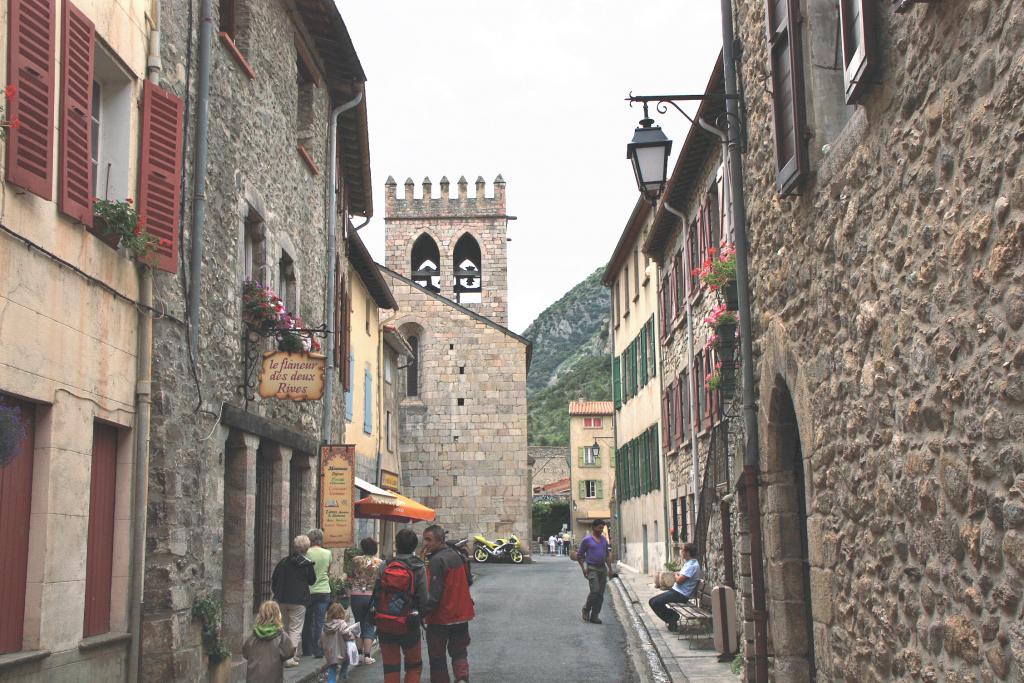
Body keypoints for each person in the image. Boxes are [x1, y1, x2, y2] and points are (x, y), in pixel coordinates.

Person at [422, 524, 475, 683]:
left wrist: (423, 612)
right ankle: (462, 678)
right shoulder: (458, 556)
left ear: (439, 540)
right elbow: (468, 580)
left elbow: (434, 593)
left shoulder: (436, 560)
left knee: (437, 655)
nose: (426, 543)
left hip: (442, 616)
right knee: (459, 651)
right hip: (461, 613)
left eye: (428, 539)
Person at [375, 528, 428, 683]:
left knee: (391, 667)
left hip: (385, 621)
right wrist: (421, 616)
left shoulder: (384, 565)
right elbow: (424, 598)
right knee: (414, 665)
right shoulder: (418, 567)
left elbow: (377, 592)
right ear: (414, 546)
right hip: (408, 622)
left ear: (397, 545)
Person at [271, 534, 316, 666]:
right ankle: (290, 657)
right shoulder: (306, 564)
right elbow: (312, 581)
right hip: (299, 599)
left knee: (283, 627)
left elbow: (275, 578)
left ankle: (283, 655)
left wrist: (277, 592)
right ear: (307, 548)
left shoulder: (284, 562)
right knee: (295, 629)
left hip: (282, 598)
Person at [648, 543, 702, 632]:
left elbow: (679, 580)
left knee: (655, 603)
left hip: (681, 595)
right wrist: (677, 575)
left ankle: (672, 617)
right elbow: (680, 576)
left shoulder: (692, 565)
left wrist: (676, 575)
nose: (681, 552)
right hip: (676, 592)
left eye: (683, 550)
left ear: (687, 553)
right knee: (652, 601)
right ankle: (672, 617)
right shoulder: (689, 563)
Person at [242, 600, 296, 683]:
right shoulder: (280, 635)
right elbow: (289, 652)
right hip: (273, 677)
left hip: (253, 678)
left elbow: (245, 652)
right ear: (277, 615)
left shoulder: (254, 635)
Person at [350, 536, 383, 665]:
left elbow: (351, 574)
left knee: (358, 624)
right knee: (369, 624)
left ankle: (358, 655)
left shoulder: (355, 560)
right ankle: (367, 656)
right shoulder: (379, 562)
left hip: (356, 594)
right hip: (371, 595)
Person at [302, 528, 333, 659]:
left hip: (308, 590)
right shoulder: (328, 553)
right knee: (320, 621)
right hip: (323, 590)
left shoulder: (306, 553)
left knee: (307, 621)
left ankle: (307, 649)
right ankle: (318, 650)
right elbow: (328, 570)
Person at [576, 519, 614, 624]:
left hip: (602, 569)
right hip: (592, 568)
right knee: (595, 591)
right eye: (599, 527)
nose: (601, 530)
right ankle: (586, 609)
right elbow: (579, 556)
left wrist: (610, 569)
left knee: (600, 594)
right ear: (593, 527)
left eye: (602, 528)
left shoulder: (604, 541)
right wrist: (583, 569)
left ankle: (595, 615)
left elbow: (607, 556)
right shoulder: (587, 540)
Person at [320, 602, 356, 683]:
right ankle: (343, 676)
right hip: (341, 651)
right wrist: (353, 636)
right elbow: (347, 634)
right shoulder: (342, 623)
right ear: (342, 613)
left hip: (329, 652)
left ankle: (331, 681)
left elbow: (321, 638)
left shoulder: (326, 625)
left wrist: (321, 645)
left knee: (332, 668)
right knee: (347, 661)